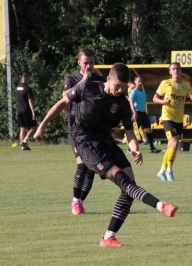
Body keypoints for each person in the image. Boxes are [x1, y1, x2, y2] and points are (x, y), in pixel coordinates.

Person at [34, 63, 178, 247]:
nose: (119, 90)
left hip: (106, 142)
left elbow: (130, 135)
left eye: (123, 87)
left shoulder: (123, 104)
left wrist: (135, 149)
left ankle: (109, 237)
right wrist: (42, 125)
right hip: (86, 143)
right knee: (123, 181)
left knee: (129, 187)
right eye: (116, 85)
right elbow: (63, 103)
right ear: (108, 79)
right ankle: (161, 206)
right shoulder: (87, 87)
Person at [63, 48, 106, 215]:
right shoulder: (72, 79)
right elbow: (65, 96)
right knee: (81, 165)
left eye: (91, 63)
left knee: (91, 169)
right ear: (79, 62)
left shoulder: (99, 80)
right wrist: (84, 81)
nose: (89, 66)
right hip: (76, 129)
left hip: (93, 129)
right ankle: (75, 201)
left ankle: (80, 202)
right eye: (86, 62)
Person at [153, 62, 192, 181]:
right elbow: (155, 98)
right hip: (167, 117)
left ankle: (162, 171)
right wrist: (163, 102)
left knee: (172, 146)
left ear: (181, 71)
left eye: (178, 69)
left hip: (179, 118)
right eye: (173, 69)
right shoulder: (165, 83)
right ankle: (169, 171)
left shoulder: (186, 85)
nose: (176, 71)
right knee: (175, 143)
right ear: (170, 71)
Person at [129, 75, 161, 153]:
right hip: (137, 113)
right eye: (139, 81)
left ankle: (152, 148)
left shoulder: (143, 91)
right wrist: (134, 113)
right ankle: (130, 148)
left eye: (141, 81)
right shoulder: (134, 91)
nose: (140, 83)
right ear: (135, 82)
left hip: (143, 113)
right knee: (134, 132)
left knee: (149, 130)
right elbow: (131, 103)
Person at [15, 73, 37, 150]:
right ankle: (25, 141)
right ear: (26, 79)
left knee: (22, 128)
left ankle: (23, 146)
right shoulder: (28, 88)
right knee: (34, 127)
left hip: (19, 110)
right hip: (26, 110)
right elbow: (30, 101)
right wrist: (33, 112)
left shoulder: (17, 88)